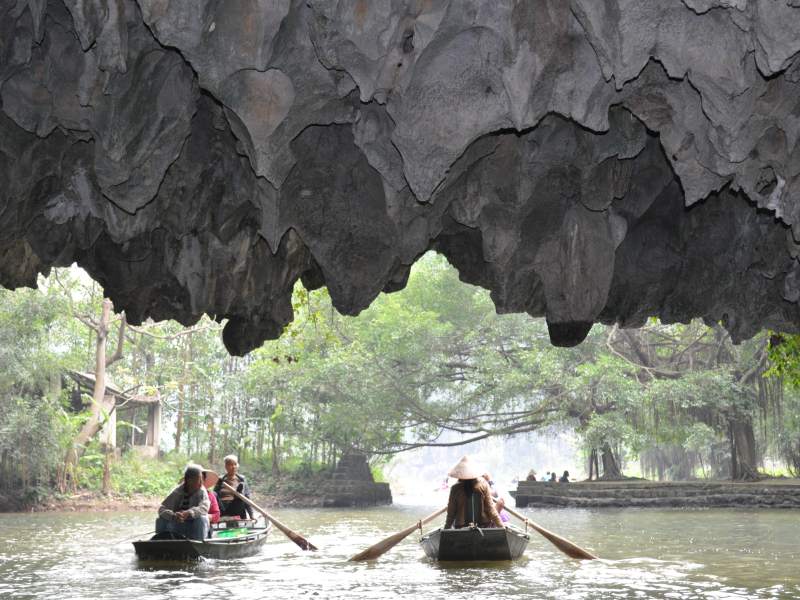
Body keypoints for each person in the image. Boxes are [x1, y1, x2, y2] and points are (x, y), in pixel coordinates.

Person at [444, 455, 503, 529]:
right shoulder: (484, 485)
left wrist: (446, 529)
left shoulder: (455, 488)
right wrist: (501, 527)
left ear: (460, 474)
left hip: (461, 527)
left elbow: (451, 514)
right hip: (483, 526)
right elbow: (491, 510)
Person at [155, 464, 210, 540]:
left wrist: (189, 513)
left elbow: (204, 508)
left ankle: (199, 544)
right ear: (188, 480)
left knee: (202, 519)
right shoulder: (178, 491)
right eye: (197, 479)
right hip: (179, 525)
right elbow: (162, 509)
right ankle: (160, 542)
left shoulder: (202, 491)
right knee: (161, 519)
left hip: (195, 526)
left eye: (201, 479)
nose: (200, 482)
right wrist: (173, 516)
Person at [214, 454, 254, 519]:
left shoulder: (242, 479)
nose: (233, 467)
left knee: (240, 497)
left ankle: (238, 493)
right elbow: (214, 496)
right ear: (226, 466)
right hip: (222, 508)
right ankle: (238, 493)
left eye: (235, 464)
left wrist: (251, 515)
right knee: (214, 494)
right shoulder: (220, 480)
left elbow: (247, 498)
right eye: (231, 464)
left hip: (236, 507)